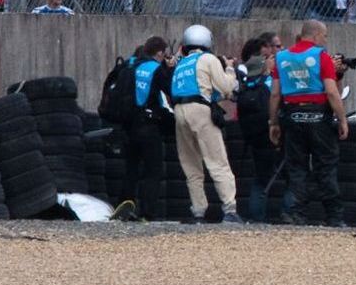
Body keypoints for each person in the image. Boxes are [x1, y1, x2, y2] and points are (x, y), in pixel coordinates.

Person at [268, 20, 350, 227]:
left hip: (291, 114)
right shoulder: (321, 57)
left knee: (297, 167)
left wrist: (273, 123)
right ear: (315, 36)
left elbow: (275, 94)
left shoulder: (281, 58)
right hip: (318, 115)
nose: (325, 40)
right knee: (326, 166)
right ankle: (334, 217)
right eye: (325, 36)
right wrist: (342, 119)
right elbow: (331, 91)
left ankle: (297, 215)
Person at [170, 24, 241, 223]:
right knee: (217, 161)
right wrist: (229, 68)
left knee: (191, 166)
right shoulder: (208, 59)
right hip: (200, 111)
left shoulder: (181, 64)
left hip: (180, 113)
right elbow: (226, 87)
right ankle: (229, 210)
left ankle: (198, 212)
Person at [236, 36, 296, 224]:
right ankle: (289, 213)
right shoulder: (269, 81)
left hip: (254, 137)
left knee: (261, 179)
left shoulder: (245, 82)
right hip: (274, 134)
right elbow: (280, 100)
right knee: (293, 175)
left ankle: (256, 218)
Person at [115, 35, 174, 222]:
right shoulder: (155, 69)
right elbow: (170, 90)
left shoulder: (130, 66)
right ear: (159, 53)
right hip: (149, 125)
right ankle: (147, 211)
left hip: (128, 125)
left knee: (131, 167)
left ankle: (125, 203)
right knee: (152, 170)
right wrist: (170, 69)